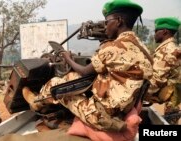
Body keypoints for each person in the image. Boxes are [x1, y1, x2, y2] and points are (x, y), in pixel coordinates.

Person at [23, 0, 152, 134]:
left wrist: (67, 58)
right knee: (71, 77)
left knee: (56, 84)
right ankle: (46, 105)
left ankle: (36, 102)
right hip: (121, 108)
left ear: (118, 21)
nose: (106, 27)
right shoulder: (144, 49)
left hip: (101, 116)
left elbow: (85, 72)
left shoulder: (113, 47)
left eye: (107, 22)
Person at [144, 17, 181, 124]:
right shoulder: (168, 48)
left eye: (156, 31)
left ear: (165, 31)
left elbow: (157, 80)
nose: (154, 34)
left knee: (169, 125)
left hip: (169, 97)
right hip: (171, 96)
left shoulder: (168, 50)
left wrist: (138, 93)